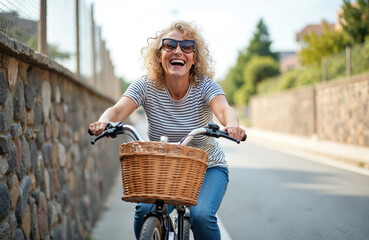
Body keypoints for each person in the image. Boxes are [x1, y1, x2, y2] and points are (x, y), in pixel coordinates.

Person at [89, 20, 246, 240]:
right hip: (165, 169)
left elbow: (224, 109)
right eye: (169, 45)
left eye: (187, 47)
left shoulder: (205, 86)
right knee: (145, 212)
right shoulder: (145, 85)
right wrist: (103, 121)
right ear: (159, 55)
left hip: (207, 167)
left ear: (194, 58)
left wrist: (232, 125)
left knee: (201, 216)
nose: (178, 51)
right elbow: (117, 110)